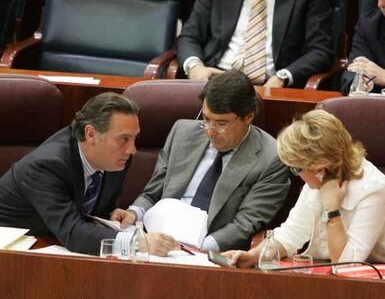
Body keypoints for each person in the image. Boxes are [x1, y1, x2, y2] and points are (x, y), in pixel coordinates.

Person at [111, 70, 290, 253]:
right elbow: (152, 193)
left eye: (221, 123)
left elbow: (244, 224)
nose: (210, 131)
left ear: (248, 116)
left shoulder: (271, 158)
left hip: (209, 247)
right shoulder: (182, 132)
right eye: (206, 119)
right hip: (155, 237)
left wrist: (196, 250)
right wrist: (133, 213)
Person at [224, 109, 385, 267]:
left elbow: (346, 265)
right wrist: (252, 256)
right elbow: (291, 235)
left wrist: (332, 210)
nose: (297, 174)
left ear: (320, 168)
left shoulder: (374, 190)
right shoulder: (318, 182)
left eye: (297, 168)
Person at [0, 92, 141, 254]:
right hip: (15, 251)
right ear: (91, 134)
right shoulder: (47, 165)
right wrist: (135, 243)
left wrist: (111, 217)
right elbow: (74, 233)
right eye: (123, 139)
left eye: (134, 138)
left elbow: (94, 214)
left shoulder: (117, 159)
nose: (132, 150)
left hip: (58, 243)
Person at [176, 0, 334, 88]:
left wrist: (282, 77)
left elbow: (320, 51)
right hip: (216, 81)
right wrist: (195, 67)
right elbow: (189, 36)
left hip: (270, 86)